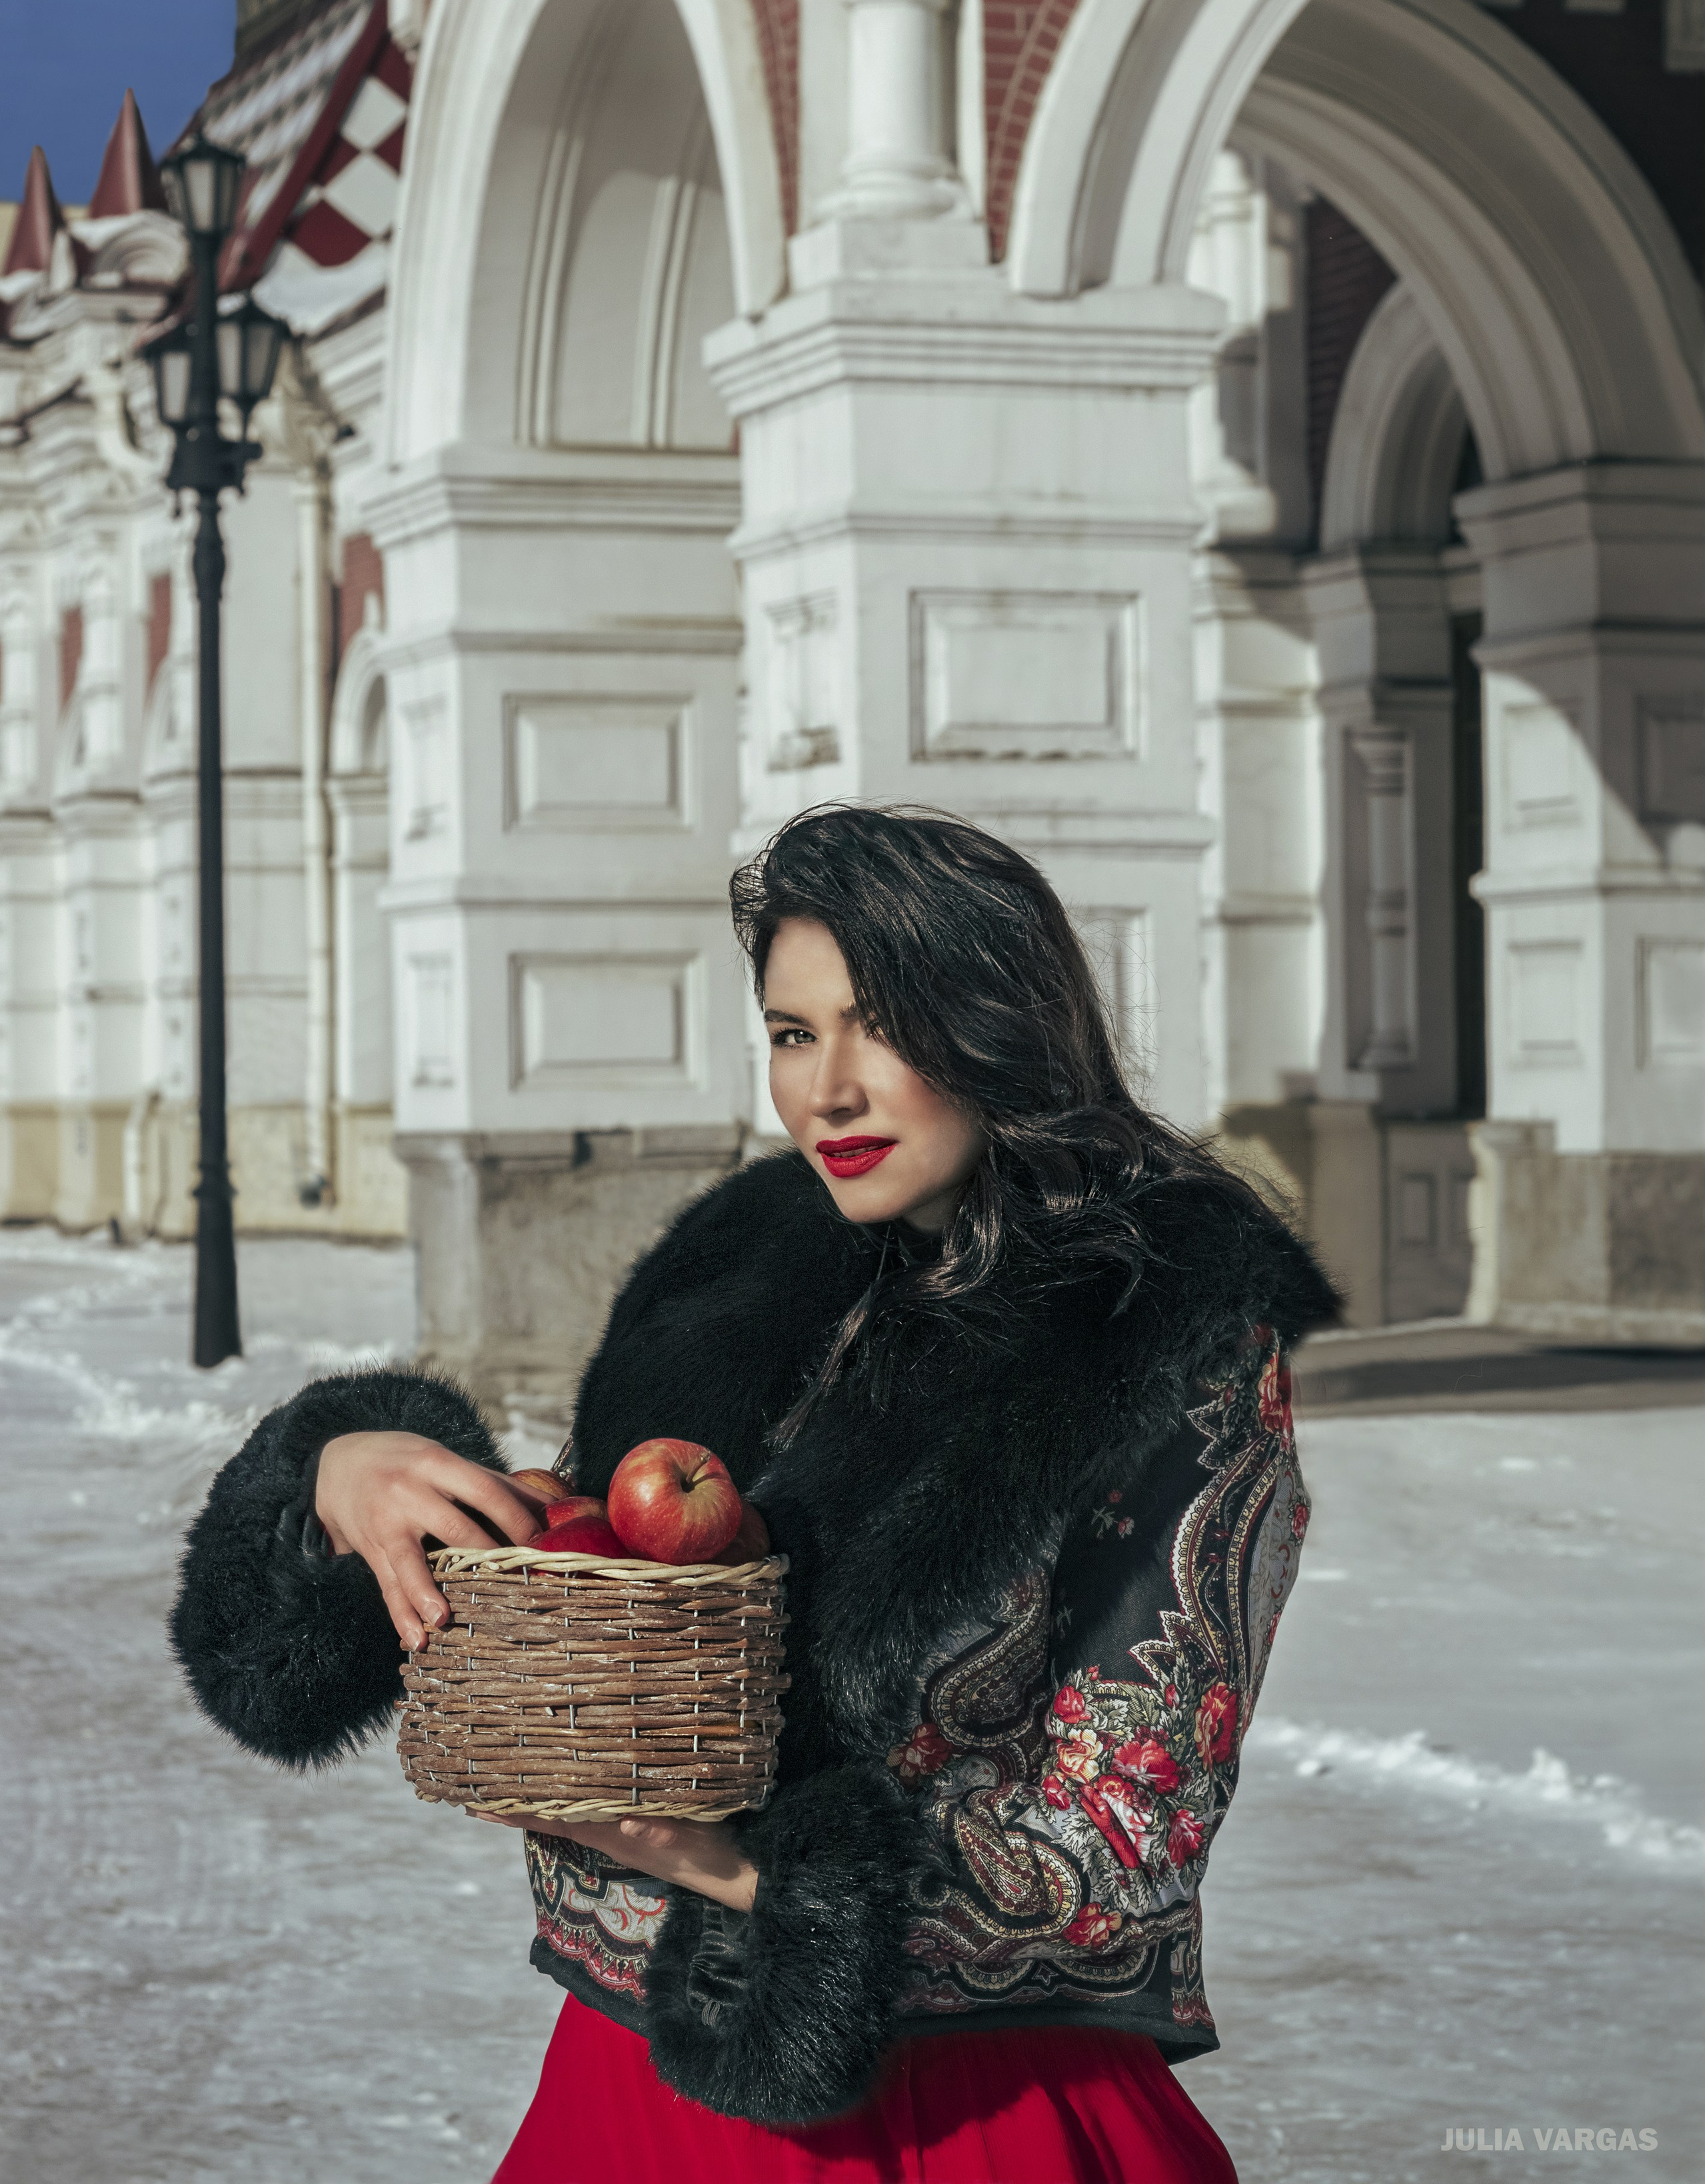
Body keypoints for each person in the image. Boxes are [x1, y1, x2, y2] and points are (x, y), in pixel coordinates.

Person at [171, 804, 1337, 2183]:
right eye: (792, 1032)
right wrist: (346, 1475)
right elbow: (588, 1575)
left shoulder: (1165, 1335)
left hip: (966, 2109)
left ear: (1001, 1024)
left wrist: (732, 1866)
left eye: (878, 1024)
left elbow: (1119, 1859)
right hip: (628, 2085)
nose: (825, 1089)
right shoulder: (741, 1269)